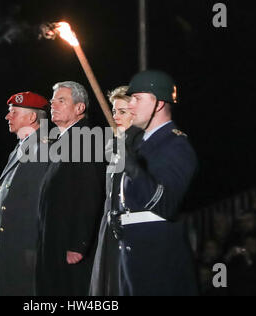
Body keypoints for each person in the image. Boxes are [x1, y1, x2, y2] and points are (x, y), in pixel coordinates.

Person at [90, 70, 199, 296]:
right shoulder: (140, 145)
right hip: (130, 250)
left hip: (156, 253)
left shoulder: (175, 144)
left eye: (137, 99)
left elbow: (165, 203)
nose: (131, 106)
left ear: (158, 104)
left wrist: (132, 168)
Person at [36, 81, 106, 296]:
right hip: (55, 242)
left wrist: (78, 243)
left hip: (71, 248)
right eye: (52, 100)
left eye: (61, 100)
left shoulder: (85, 139)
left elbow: (90, 192)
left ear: (79, 108)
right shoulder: (64, 141)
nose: (53, 105)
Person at [0, 91, 50, 296]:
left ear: (32, 118)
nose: (8, 116)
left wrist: (32, 246)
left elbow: (37, 202)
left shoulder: (42, 149)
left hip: (23, 246)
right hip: (9, 245)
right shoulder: (19, 149)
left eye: (14, 112)